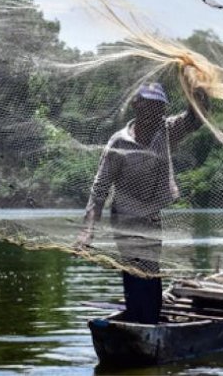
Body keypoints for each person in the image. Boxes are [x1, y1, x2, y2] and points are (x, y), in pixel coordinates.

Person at [76, 81, 207, 324]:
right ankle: (141, 322)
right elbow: (99, 190)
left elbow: (194, 120)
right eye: (149, 106)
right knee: (135, 271)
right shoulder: (119, 143)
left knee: (150, 271)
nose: (154, 112)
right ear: (137, 105)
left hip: (150, 216)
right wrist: (87, 230)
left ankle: (148, 323)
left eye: (159, 107)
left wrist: (195, 91)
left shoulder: (165, 131)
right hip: (124, 218)